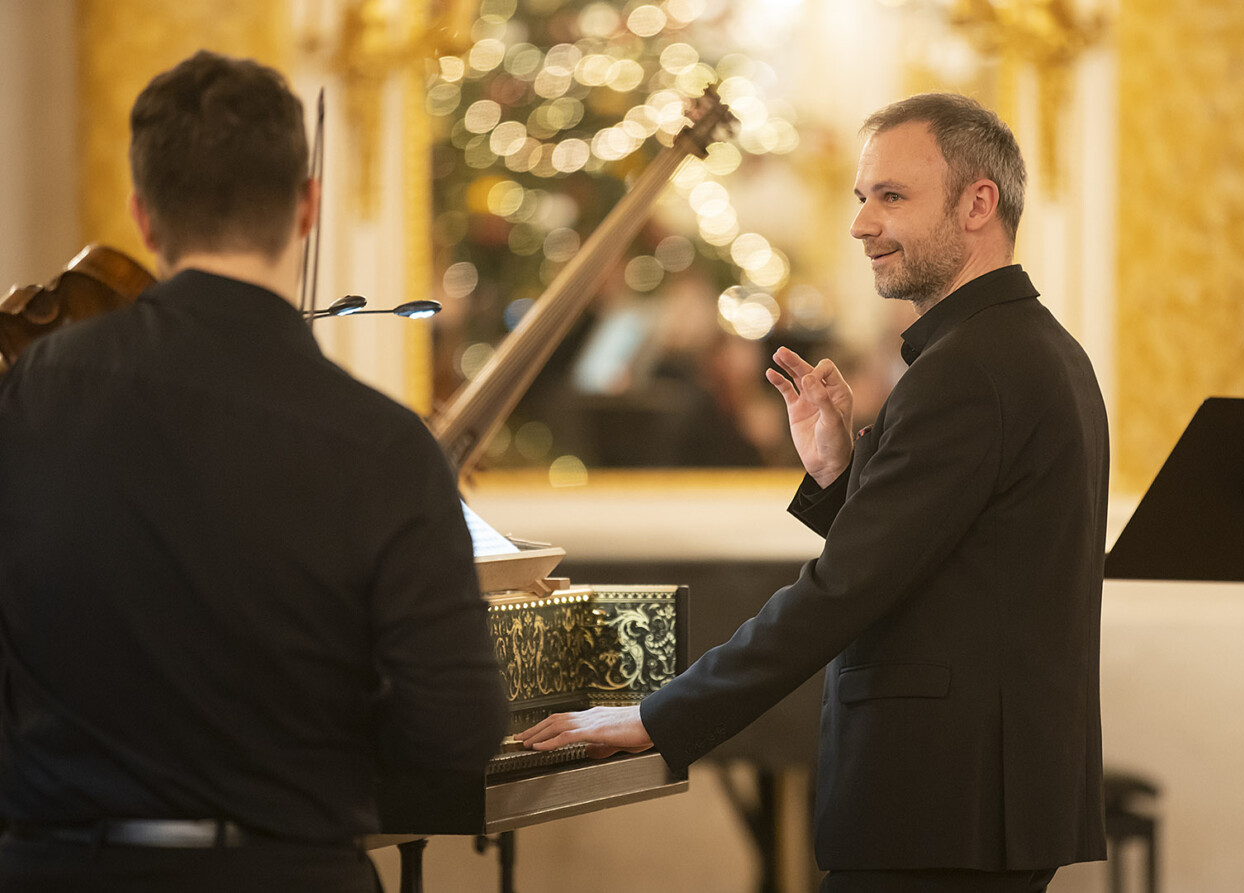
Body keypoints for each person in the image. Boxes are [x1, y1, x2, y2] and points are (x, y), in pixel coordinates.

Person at [521, 93, 1109, 892]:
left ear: (980, 203)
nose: (863, 224)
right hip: (971, 803)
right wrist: (838, 474)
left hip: (939, 805)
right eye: (862, 198)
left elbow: (846, 588)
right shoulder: (1031, 348)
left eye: (893, 197)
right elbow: (944, 559)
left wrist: (656, 715)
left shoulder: (968, 368)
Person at [0, 51, 506, 892]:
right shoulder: (383, 444)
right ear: (307, 206)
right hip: (286, 868)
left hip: (54, 867)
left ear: (143, 214)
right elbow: (456, 728)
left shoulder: (28, 396)